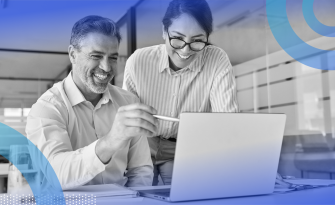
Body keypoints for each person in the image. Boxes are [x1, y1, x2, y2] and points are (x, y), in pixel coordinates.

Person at [26, 15, 159, 190]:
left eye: (113, 58)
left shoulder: (128, 102)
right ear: (73, 54)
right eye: (96, 56)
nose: (106, 67)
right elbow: (53, 173)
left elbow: (141, 170)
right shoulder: (47, 108)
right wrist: (111, 141)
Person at [123, 0, 239, 186]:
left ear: (207, 37)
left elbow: (226, 121)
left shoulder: (217, 60)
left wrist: (250, 161)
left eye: (197, 41)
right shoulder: (138, 61)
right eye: (177, 38)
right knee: (138, 197)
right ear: (164, 31)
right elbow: (128, 121)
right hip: (142, 146)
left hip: (184, 147)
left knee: (188, 196)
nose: (185, 50)